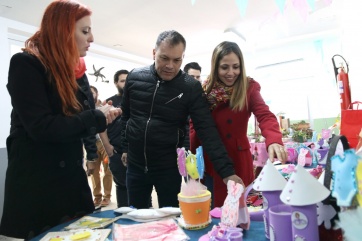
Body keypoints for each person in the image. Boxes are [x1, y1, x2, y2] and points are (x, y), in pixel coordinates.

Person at [0, 1, 121, 239]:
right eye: (84, 31)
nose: (92, 38)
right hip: (38, 182)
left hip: (71, 182)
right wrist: (96, 116)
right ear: (62, 31)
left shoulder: (77, 70)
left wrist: (102, 114)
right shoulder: (26, 64)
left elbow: (83, 116)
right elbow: (42, 127)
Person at [120, 30, 243, 209]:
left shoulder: (190, 87)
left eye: (177, 60)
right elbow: (127, 116)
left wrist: (226, 172)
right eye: (164, 58)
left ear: (183, 57)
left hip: (168, 168)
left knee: (170, 221)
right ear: (154, 53)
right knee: (136, 218)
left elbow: (206, 130)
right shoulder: (134, 77)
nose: (170, 65)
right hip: (136, 166)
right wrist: (125, 147)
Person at [190, 41, 287, 208]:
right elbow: (196, 127)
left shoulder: (248, 88)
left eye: (236, 67)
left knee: (240, 211)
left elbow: (265, 115)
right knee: (215, 212)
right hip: (211, 162)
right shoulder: (204, 92)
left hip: (238, 161)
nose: (231, 73)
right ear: (215, 68)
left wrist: (274, 139)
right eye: (224, 67)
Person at [100, 69, 129, 207]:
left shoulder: (138, 101)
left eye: (128, 80)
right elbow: (101, 127)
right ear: (116, 83)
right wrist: (108, 147)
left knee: (141, 186)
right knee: (122, 186)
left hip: (135, 152)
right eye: (123, 80)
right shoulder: (109, 103)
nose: (126, 83)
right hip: (116, 151)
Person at [89, 85, 113, 207]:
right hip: (91, 143)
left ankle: (107, 196)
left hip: (105, 142)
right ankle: (97, 196)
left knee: (108, 170)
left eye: (92, 92)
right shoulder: (84, 108)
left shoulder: (105, 107)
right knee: (93, 171)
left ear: (97, 94)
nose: (89, 94)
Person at [182, 62, 203, 150]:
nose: (195, 80)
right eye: (192, 77)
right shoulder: (178, 96)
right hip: (182, 146)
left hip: (198, 146)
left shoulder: (203, 97)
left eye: (198, 77)